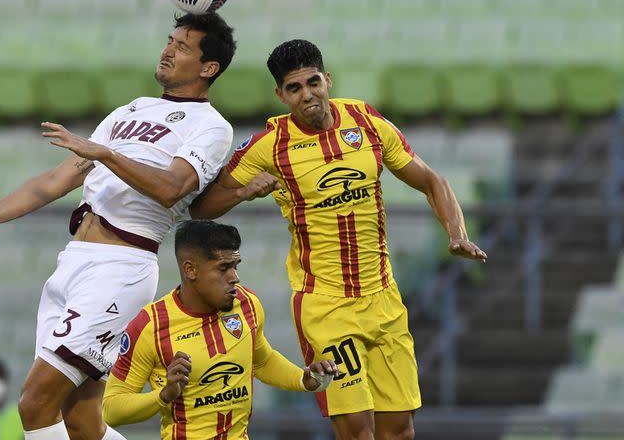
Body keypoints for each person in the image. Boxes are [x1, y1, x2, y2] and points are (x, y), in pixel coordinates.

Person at [0, 13, 238, 440]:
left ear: (209, 68)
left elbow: (173, 189)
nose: (168, 50)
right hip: (73, 263)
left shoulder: (210, 126)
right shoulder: (129, 111)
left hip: (120, 266)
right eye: (169, 41)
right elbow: (56, 180)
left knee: (34, 405)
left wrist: (107, 154)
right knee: (79, 421)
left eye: (183, 47)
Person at [189, 39, 488, 440]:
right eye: (294, 89)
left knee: (399, 431)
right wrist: (244, 192)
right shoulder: (269, 146)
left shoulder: (365, 121)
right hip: (326, 306)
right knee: (357, 431)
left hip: (383, 299)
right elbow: (202, 207)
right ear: (281, 95)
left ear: (327, 80)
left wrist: (457, 234)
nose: (307, 95)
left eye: (313, 82)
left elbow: (432, 180)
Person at [102, 219, 339, 439]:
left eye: (235, 266)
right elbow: (111, 409)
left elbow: (262, 361)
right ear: (190, 270)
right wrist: (164, 395)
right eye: (223, 268)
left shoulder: (247, 304)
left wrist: (304, 378)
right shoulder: (150, 325)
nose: (235, 277)